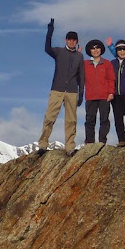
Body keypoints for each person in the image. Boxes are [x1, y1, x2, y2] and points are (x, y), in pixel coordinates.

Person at [37, 18, 84, 157]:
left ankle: (70, 147)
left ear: (76, 41)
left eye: (74, 40)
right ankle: (43, 144)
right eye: (69, 39)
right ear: (66, 40)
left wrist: (81, 92)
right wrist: (49, 32)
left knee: (71, 120)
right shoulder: (58, 52)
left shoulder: (79, 56)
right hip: (56, 89)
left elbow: (81, 75)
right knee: (49, 117)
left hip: (72, 91)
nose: (71, 42)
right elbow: (47, 49)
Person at [83, 39, 115, 145]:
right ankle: (89, 142)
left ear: (101, 49)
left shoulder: (107, 63)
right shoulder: (85, 64)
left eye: (97, 48)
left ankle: (102, 141)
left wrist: (111, 92)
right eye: (93, 48)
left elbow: (111, 79)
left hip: (104, 96)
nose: (95, 50)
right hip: (90, 96)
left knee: (104, 119)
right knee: (89, 120)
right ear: (89, 51)